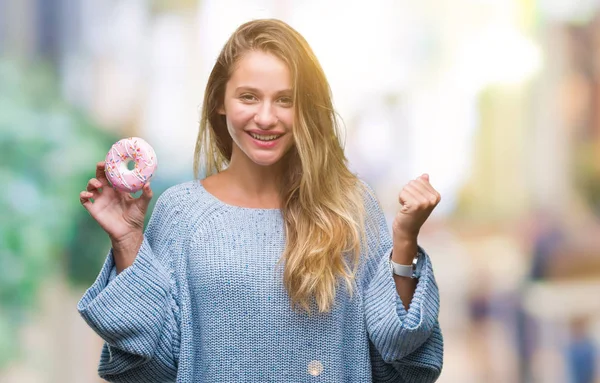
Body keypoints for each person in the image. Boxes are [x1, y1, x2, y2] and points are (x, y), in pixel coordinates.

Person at [77, 18, 443, 382]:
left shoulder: (349, 207)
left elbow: (400, 361)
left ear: (307, 108)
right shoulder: (181, 213)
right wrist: (127, 241)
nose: (265, 118)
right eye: (248, 96)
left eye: (285, 100)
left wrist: (405, 241)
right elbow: (151, 368)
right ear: (220, 101)